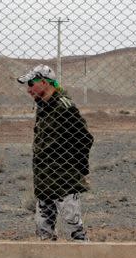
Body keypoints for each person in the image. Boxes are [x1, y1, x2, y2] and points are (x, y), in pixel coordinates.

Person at [17, 64, 94, 241]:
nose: (28, 90)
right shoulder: (43, 107)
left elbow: (84, 138)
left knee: (74, 232)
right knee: (44, 233)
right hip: (44, 181)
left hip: (64, 181)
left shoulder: (64, 107)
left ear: (44, 82)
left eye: (31, 84)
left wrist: (78, 171)